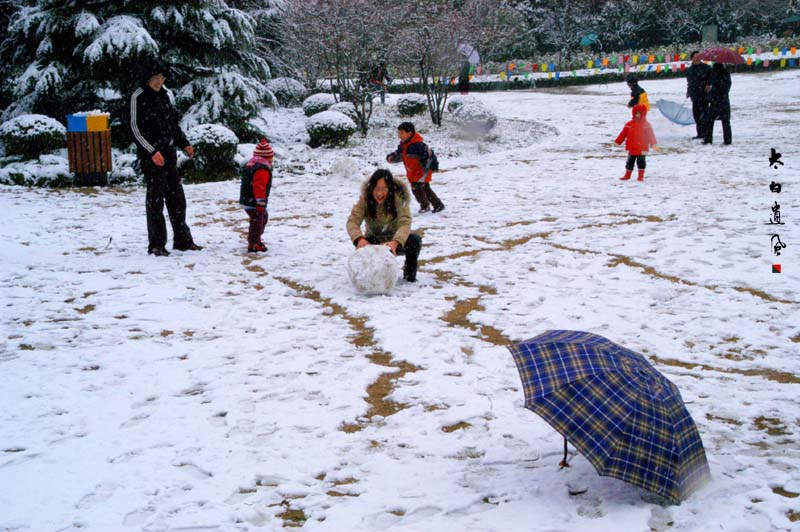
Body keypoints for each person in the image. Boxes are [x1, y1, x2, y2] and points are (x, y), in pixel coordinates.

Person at [130, 57, 202, 256]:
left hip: (169, 154)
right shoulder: (138, 96)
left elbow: (173, 124)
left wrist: (184, 142)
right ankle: (157, 245)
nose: (158, 81)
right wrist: (151, 151)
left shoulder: (166, 95)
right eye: (155, 77)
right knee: (155, 202)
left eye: (161, 77)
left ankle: (183, 241)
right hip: (152, 157)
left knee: (177, 198)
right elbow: (136, 129)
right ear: (147, 78)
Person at [346, 169, 422, 283]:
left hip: (393, 241)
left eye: (384, 189)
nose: (379, 193)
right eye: (376, 188)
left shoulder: (399, 199)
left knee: (415, 241)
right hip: (373, 240)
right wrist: (359, 239)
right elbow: (352, 221)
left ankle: (409, 277)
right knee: (372, 275)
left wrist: (396, 241)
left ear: (390, 188)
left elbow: (405, 222)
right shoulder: (365, 199)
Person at [386, 122, 445, 214]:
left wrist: (431, 166)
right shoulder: (403, 145)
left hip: (422, 170)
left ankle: (426, 206)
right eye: (399, 133)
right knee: (424, 188)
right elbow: (400, 154)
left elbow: (430, 155)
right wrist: (392, 157)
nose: (399, 135)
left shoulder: (418, 145)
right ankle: (436, 205)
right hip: (412, 170)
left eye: (401, 133)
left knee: (418, 188)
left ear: (409, 133)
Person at [239, 139, 274, 252]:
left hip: (247, 199)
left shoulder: (252, 164)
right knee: (258, 221)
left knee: (260, 219)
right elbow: (259, 187)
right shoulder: (261, 169)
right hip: (254, 201)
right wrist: (260, 202)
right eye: (271, 157)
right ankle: (254, 243)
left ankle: (254, 239)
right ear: (267, 157)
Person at [614, 103, 658, 181]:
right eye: (636, 113)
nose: (637, 115)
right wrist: (618, 141)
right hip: (632, 147)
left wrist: (653, 144)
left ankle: (640, 176)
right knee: (630, 162)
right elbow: (623, 134)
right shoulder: (629, 124)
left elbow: (651, 135)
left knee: (641, 162)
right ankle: (627, 175)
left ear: (643, 114)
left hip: (643, 148)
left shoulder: (646, 125)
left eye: (639, 113)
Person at [702, 63, 732, 145]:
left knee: (710, 121)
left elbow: (709, 87)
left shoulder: (713, 74)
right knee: (725, 121)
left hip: (714, 100)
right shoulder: (726, 74)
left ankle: (708, 139)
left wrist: (710, 91)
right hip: (724, 100)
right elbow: (727, 86)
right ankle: (728, 140)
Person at [686, 51, 711, 139]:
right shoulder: (690, 70)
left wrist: (708, 85)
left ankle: (707, 133)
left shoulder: (706, 68)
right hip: (695, 95)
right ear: (692, 58)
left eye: (699, 56)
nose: (697, 58)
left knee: (705, 114)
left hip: (704, 95)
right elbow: (689, 82)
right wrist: (688, 91)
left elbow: (711, 78)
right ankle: (700, 133)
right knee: (696, 115)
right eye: (695, 56)